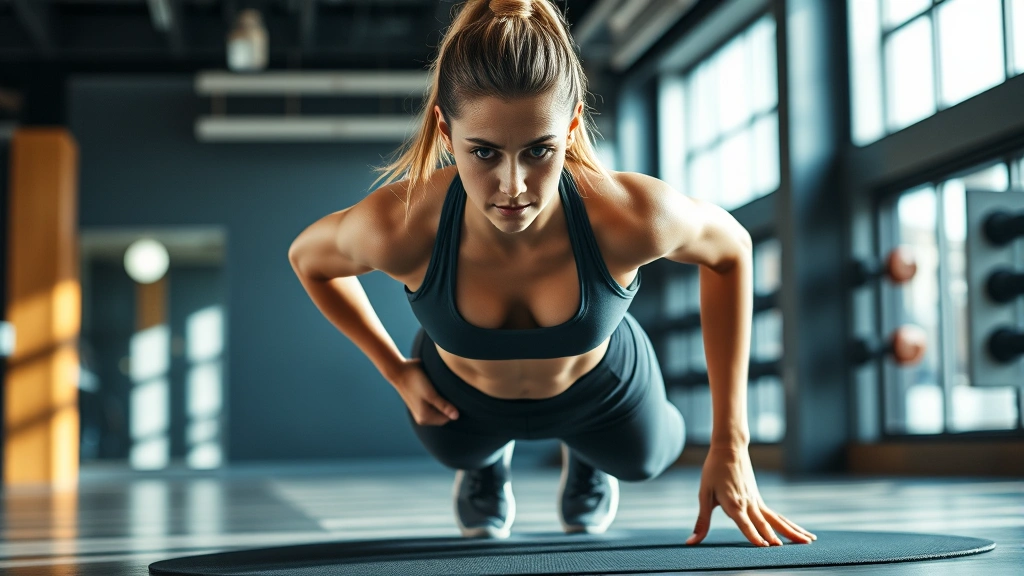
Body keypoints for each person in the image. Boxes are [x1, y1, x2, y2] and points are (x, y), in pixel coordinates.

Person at [288, 0, 816, 547]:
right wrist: (394, 369)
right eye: (485, 152)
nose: (513, 185)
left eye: (539, 150)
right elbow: (308, 259)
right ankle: (485, 466)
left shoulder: (628, 215)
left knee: (646, 460)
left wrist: (731, 442)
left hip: (599, 393)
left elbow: (731, 249)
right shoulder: (398, 225)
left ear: (570, 127)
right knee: (453, 447)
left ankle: (588, 457)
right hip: (464, 401)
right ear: (445, 132)